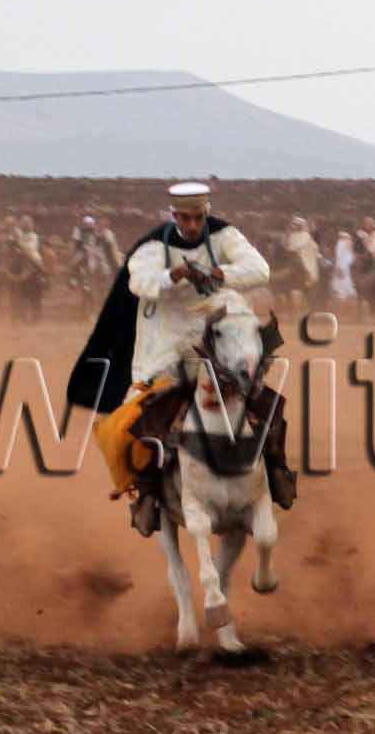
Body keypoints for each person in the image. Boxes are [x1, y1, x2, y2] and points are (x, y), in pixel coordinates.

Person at [67, 182, 290, 533]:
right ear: (173, 216)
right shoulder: (154, 244)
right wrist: (176, 274)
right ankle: (147, 492)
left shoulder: (224, 234)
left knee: (257, 391)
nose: (192, 225)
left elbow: (259, 269)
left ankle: (275, 470)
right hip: (167, 336)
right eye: (185, 218)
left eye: (199, 217)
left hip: (216, 323)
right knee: (136, 414)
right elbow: (139, 282)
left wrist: (220, 273)